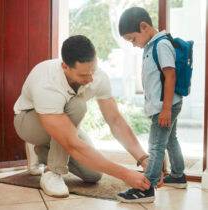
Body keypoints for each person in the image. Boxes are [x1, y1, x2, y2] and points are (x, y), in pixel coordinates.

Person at [14, 35, 151, 198]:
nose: (90, 79)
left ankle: (41, 151)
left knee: (93, 175)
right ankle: (53, 171)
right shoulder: (47, 82)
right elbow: (72, 144)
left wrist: (143, 158)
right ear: (65, 66)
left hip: (61, 122)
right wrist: (125, 174)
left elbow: (115, 121)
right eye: (83, 75)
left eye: (92, 71)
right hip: (29, 122)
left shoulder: (98, 77)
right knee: (77, 105)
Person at [116, 7, 187, 203]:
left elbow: (170, 75)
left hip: (167, 106)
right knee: (170, 140)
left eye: (132, 39)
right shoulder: (151, 46)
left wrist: (164, 108)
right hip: (166, 105)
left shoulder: (161, 44)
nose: (133, 44)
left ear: (144, 26)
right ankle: (179, 175)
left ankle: (146, 188)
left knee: (156, 146)